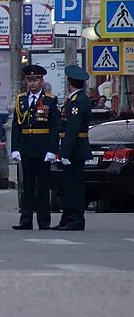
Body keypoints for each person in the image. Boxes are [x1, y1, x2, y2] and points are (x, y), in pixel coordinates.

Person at [10, 65, 60, 231]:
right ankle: (26, 220)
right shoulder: (21, 100)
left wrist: (53, 149)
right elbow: (16, 125)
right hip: (26, 147)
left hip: (43, 147)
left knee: (43, 186)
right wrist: (15, 148)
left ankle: (44, 221)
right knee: (27, 186)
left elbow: (54, 127)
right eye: (29, 80)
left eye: (36, 80)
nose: (32, 83)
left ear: (41, 81)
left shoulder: (50, 100)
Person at [54, 65, 92, 231]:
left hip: (75, 150)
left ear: (69, 82)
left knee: (73, 187)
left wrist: (66, 152)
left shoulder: (77, 102)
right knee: (70, 186)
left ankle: (74, 219)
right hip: (76, 149)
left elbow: (72, 129)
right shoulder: (77, 99)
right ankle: (67, 219)